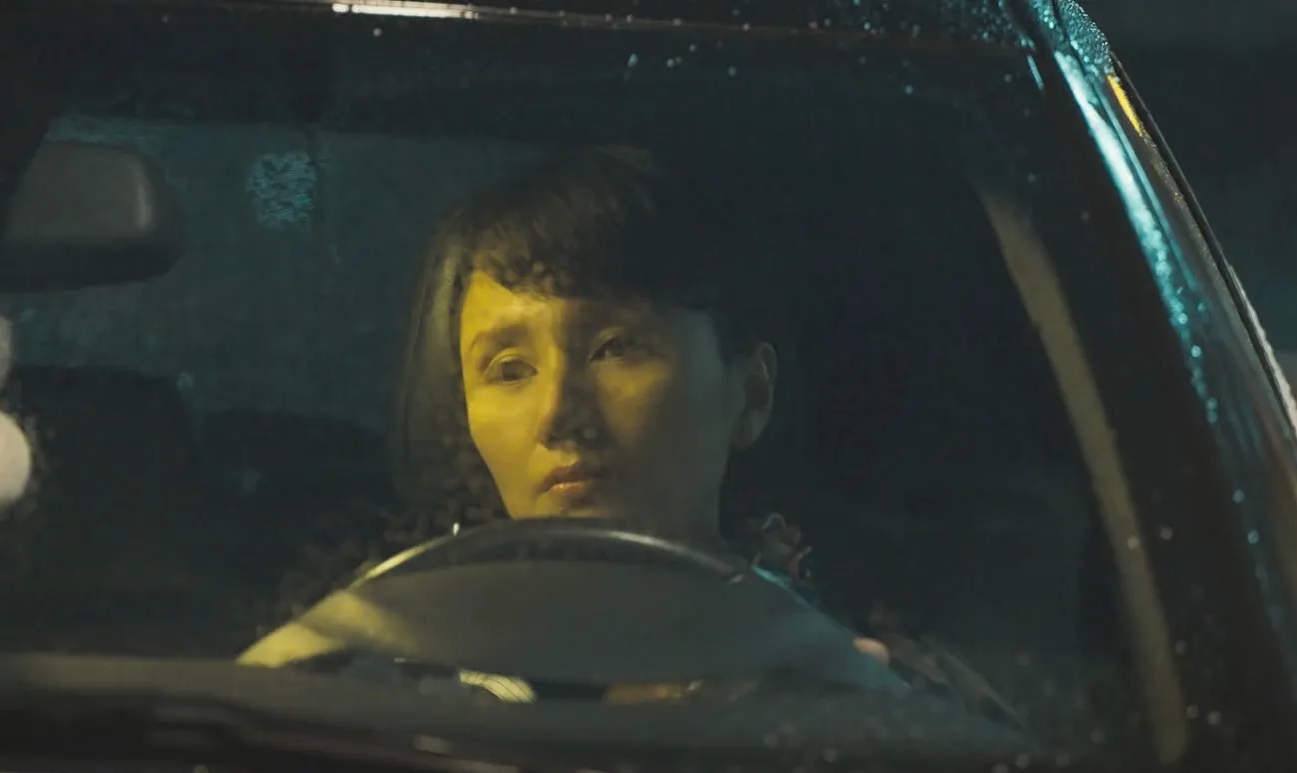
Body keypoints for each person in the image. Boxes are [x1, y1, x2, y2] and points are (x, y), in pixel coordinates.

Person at [242, 146, 1021, 716]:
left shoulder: (861, 678)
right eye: (509, 369)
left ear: (750, 396)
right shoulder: (364, 668)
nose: (559, 414)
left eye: (616, 348)